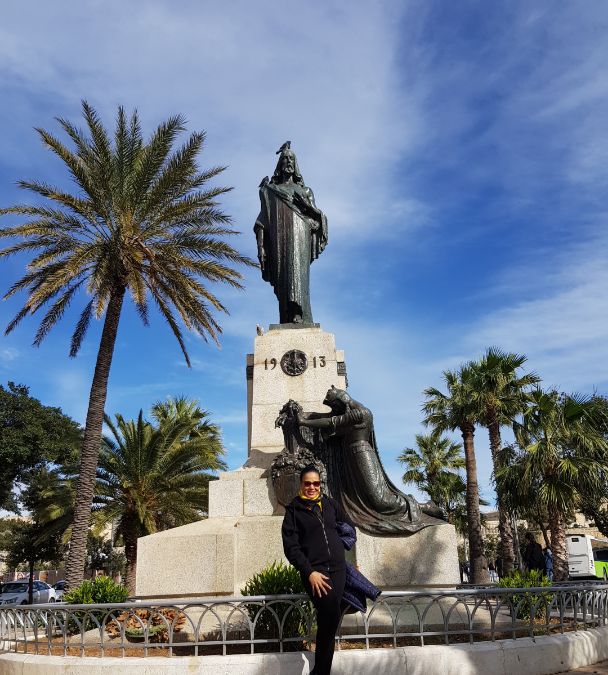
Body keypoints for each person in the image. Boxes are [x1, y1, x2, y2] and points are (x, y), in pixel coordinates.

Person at [295, 386, 446, 535]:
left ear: (343, 402)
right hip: (351, 457)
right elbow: (327, 418)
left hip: (361, 454)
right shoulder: (352, 412)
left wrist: (303, 422)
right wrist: (303, 415)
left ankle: (423, 506)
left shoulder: (361, 413)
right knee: (364, 498)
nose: (333, 409)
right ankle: (420, 506)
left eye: (335, 406)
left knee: (380, 499)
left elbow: (331, 421)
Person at [281, 465, 353, 675]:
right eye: (307, 483)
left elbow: (348, 526)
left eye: (316, 483)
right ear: (301, 484)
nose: (312, 487)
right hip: (316, 573)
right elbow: (291, 547)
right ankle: (320, 672)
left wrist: (342, 549)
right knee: (330, 613)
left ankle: (321, 671)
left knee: (328, 620)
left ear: (320, 484)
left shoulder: (330, 504)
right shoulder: (294, 511)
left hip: (339, 570)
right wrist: (309, 571)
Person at [254, 142, 328, 325]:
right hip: (279, 238)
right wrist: (261, 247)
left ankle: (299, 314)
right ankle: (286, 316)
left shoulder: (305, 191)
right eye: (285, 158)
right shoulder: (269, 192)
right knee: (282, 280)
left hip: (300, 235)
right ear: (279, 163)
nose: (288, 161)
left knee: (297, 275)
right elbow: (261, 221)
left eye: (291, 158)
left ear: (296, 164)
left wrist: (306, 209)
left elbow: (318, 219)